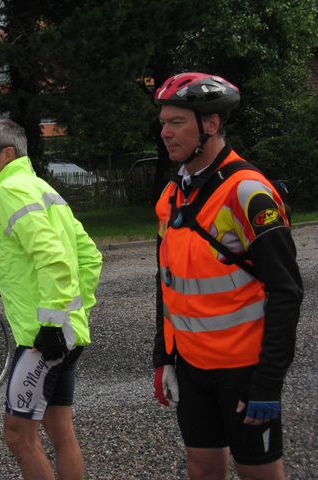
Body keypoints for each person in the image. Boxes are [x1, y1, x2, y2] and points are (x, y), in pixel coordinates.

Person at [152, 73, 304, 479]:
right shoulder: (172, 194)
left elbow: (287, 290)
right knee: (202, 469)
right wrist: (164, 357)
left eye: (177, 122)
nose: (165, 133)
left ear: (212, 124)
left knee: (260, 474)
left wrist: (268, 383)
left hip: (243, 368)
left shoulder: (248, 192)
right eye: (163, 122)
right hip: (191, 366)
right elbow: (165, 282)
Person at [0, 119, 103, 480]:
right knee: (61, 433)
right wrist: (75, 314)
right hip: (65, 335)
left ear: (7, 153)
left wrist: (51, 323)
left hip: (41, 341)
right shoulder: (41, 187)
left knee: (18, 436)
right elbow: (90, 256)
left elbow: (51, 257)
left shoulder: (12, 190)